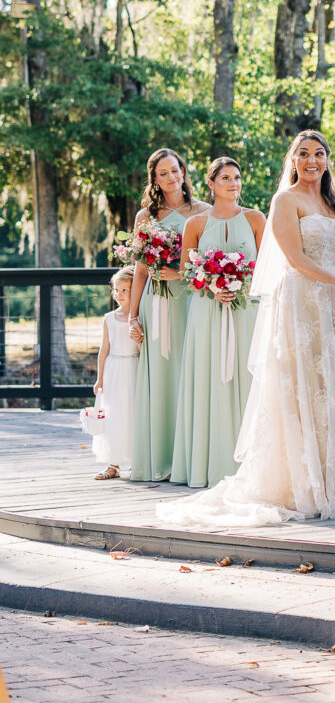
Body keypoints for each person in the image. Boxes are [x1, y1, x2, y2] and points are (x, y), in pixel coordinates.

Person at [158, 132, 335, 529]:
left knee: (333, 386)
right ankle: (301, 481)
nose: (311, 161)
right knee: (303, 386)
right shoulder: (284, 201)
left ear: (327, 160)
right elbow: (294, 257)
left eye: (319, 154)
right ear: (292, 160)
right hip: (302, 302)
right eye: (303, 154)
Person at [169, 158, 265, 488]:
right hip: (206, 312)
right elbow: (186, 270)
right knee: (208, 379)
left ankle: (251, 464)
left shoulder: (256, 218)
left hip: (245, 310)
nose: (233, 183)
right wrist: (213, 283)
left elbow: (266, 267)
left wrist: (238, 283)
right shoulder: (195, 223)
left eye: (237, 177)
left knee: (247, 378)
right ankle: (206, 464)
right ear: (211, 183)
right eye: (225, 177)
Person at [129, 149, 208, 481]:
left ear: (183, 171)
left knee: (189, 372)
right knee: (161, 375)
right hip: (156, 304)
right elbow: (140, 268)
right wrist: (132, 316)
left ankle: (190, 458)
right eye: (163, 173)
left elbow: (206, 264)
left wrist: (180, 274)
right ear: (155, 180)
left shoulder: (203, 211)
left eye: (174, 170)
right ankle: (159, 457)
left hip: (190, 299)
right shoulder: (144, 217)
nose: (171, 177)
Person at [83, 266, 141, 480]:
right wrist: (99, 378)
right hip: (114, 370)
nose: (119, 295)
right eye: (116, 290)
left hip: (133, 368)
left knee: (133, 413)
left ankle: (138, 461)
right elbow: (104, 350)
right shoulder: (109, 318)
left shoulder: (139, 317)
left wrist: (140, 341)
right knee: (114, 414)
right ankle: (113, 464)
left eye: (125, 290)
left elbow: (143, 350)